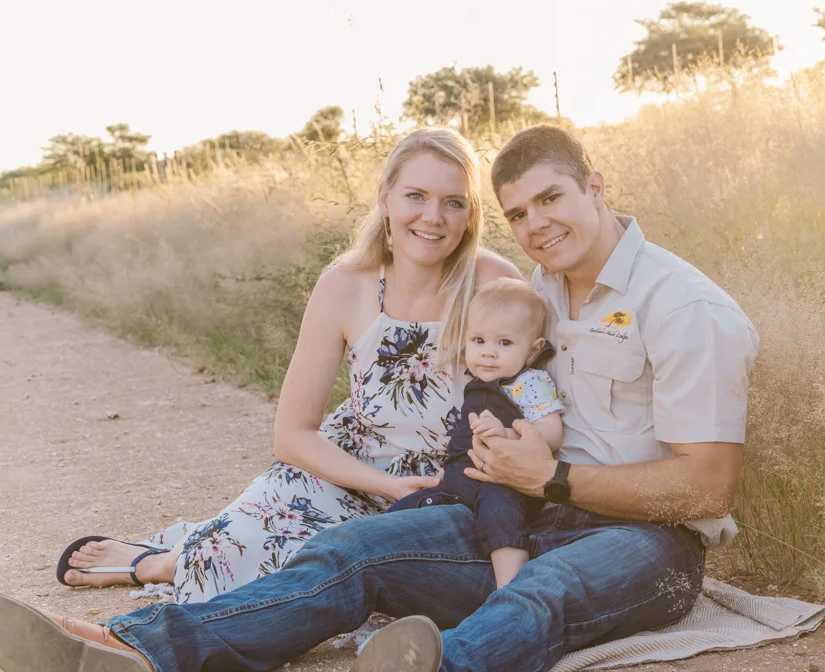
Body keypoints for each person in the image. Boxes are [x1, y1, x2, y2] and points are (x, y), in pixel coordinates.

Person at [0, 124, 759, 672]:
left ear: (597, 185)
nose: (537, 225)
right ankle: (134, 650)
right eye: (519, 213)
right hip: (522, 511)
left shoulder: (684, 306)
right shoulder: (536, 293)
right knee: (351, 551)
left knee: (539, 591)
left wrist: (551, 479)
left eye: (551, 199)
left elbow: (705, 487)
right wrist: (520, 485)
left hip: (646, 541)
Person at [52, 126, 521, 603]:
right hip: (348, 473)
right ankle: (160, 564)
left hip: (448, 492)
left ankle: (190, 550)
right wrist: (385, 485)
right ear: (385, 198)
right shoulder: (345, 285)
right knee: (239, 559)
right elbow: (293, 434)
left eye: (453, 202)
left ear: (470, 214)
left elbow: (535, 391)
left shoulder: (496, 283)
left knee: (327, 581)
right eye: (415, 196)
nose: (432, 217)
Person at [388, 278, 564, 588]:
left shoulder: (530, 382)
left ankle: (508, 589)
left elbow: (552, 433)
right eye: (478, 341)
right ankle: (388, 567)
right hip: (460, 480)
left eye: (504, 343)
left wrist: (509, 435)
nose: (488, 353)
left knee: (501, 512)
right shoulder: (476, 379)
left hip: (504, 480)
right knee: (402, 511)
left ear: (533, 349)